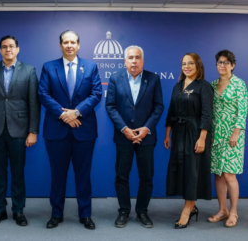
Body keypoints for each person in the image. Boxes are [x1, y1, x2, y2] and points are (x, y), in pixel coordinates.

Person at [38, 30, 102, 230]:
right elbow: (43, 94)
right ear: (60, 45)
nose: (69, 45)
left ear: (79, 45)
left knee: (83, 174)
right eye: (65, 42)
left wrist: (77, 112)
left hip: (84, 130)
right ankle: (56, 214)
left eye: (73, 42)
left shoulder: (90, 67)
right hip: (56, 130)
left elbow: (96, 93)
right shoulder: (49, 67)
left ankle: (85, 214)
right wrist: (64, 114)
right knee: (58, 175)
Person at [0, 35, 40, 226]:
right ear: (0, 50)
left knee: (18, 173)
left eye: (11, 46)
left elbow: (33, 103)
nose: (8, 50)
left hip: (20, 131)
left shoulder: (29, 71)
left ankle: (18, 211)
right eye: (4, 47)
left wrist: (33, 131)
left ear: (17, 49)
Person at [106, 45, 163, 228]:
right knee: (121, 176)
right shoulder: (115, 78)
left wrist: (146, 128)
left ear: (142, 61)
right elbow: (111, 106)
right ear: (125, 61)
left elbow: (158, 106)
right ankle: (123, 211)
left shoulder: (153, 79)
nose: (134, 61)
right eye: (130, 57)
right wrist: (125, 129)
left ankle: (142, 212)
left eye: (137, 57)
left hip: (146, 137)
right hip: (124, 137)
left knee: (146, 177)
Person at [164, 53, 213, 229]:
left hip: (195, 133)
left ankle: (187, 208)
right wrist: (168, 133)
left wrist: (202, 138)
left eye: (191, 63)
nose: (187, 66)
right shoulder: (178, 86)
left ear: (198, 65)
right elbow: (171, 111)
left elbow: (207, 114)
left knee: (192, 171)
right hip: (178, 133)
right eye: (184, 63)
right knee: (182, 170)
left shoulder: (204, 86)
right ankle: (191, 206)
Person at [208, 50, 247, 228]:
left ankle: (233, 212)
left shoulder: (239, 84)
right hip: (216, 135)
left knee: (229, 174)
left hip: (233, 135)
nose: (221, 65)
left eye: (225, 62)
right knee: (218, 174)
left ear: (232, 65)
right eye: (219, 62)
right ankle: (222, 210)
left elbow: (243, 110)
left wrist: (236, 132)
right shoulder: (212, 84)